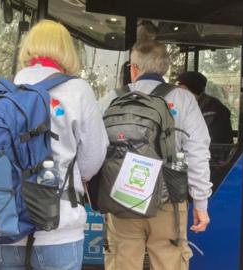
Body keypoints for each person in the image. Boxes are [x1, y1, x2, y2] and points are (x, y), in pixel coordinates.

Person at [0, 20, 108, 270]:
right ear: (66, 50)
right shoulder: (77, 90)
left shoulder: (5, 90)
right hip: (60, 227)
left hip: (9, 224)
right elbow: (94, 156)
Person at [101, 40, 212, 270]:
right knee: (169, 261)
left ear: (134, 68)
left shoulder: (111, 98)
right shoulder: (183, 99)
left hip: (122, 198)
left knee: (123, 260)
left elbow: (92, 146)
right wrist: (200, 201)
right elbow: (197, 151)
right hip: (168, 200)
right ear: (164, 69)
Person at [176, 71, 234, 144]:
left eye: (182, 91)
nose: (179, 95)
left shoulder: (214, 112)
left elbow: (212, 144)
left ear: (194, 90)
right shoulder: (190, 105)